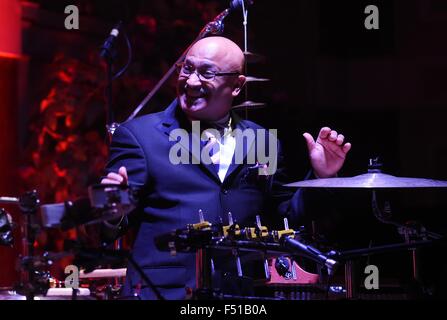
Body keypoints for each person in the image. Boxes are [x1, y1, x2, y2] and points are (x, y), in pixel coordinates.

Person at [101, 36, 351, 300]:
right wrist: (111, 208)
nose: (192, 81)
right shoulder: (140, 136)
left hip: (242, 294)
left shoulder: (261, 140)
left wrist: (323, 177)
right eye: (187, 68)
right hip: (163, 292)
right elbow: (108, 229)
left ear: (236, 85)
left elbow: (284, 216)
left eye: (207, 72)